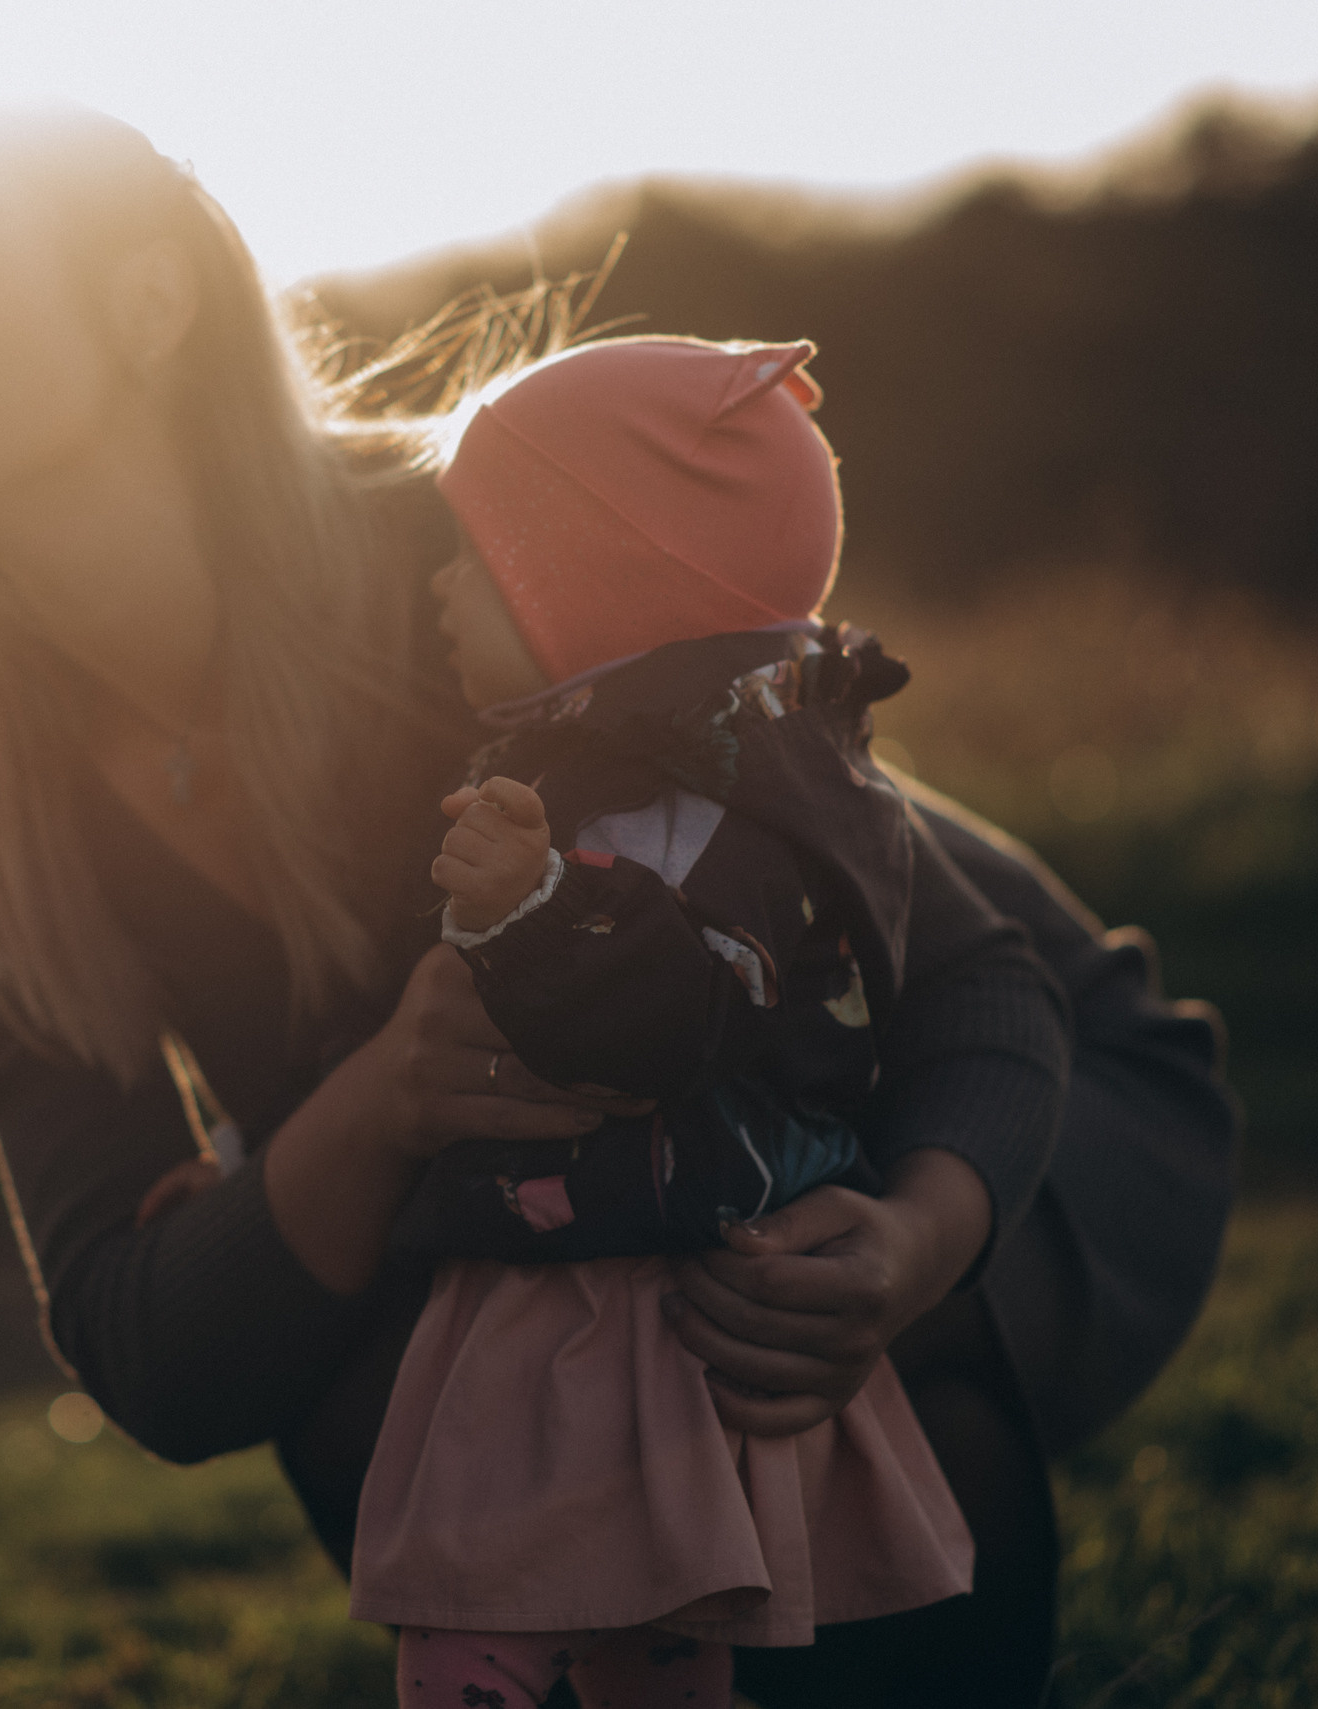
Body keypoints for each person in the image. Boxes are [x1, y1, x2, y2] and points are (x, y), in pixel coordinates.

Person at [0, 102, 1235, 1706]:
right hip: (611, 1190)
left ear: (146, 300)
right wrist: (379, 1100)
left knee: (758, 1292)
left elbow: (962, 980)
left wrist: (922, 1236)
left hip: (999, 1110)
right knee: (369, 1357)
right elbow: (156, 1351)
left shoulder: (475, 554)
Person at [343, 336, 976, 1709]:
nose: (439, 588)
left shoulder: (729, 810)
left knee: (483, 1636)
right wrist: (234, 1149)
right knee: (636, 1645)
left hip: (632, 1312)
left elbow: (676, 1020)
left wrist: (533, 908)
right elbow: (421, 1005)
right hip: (577, 1294)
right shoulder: (579, 769)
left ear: (595, 581)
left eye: (477, 554)